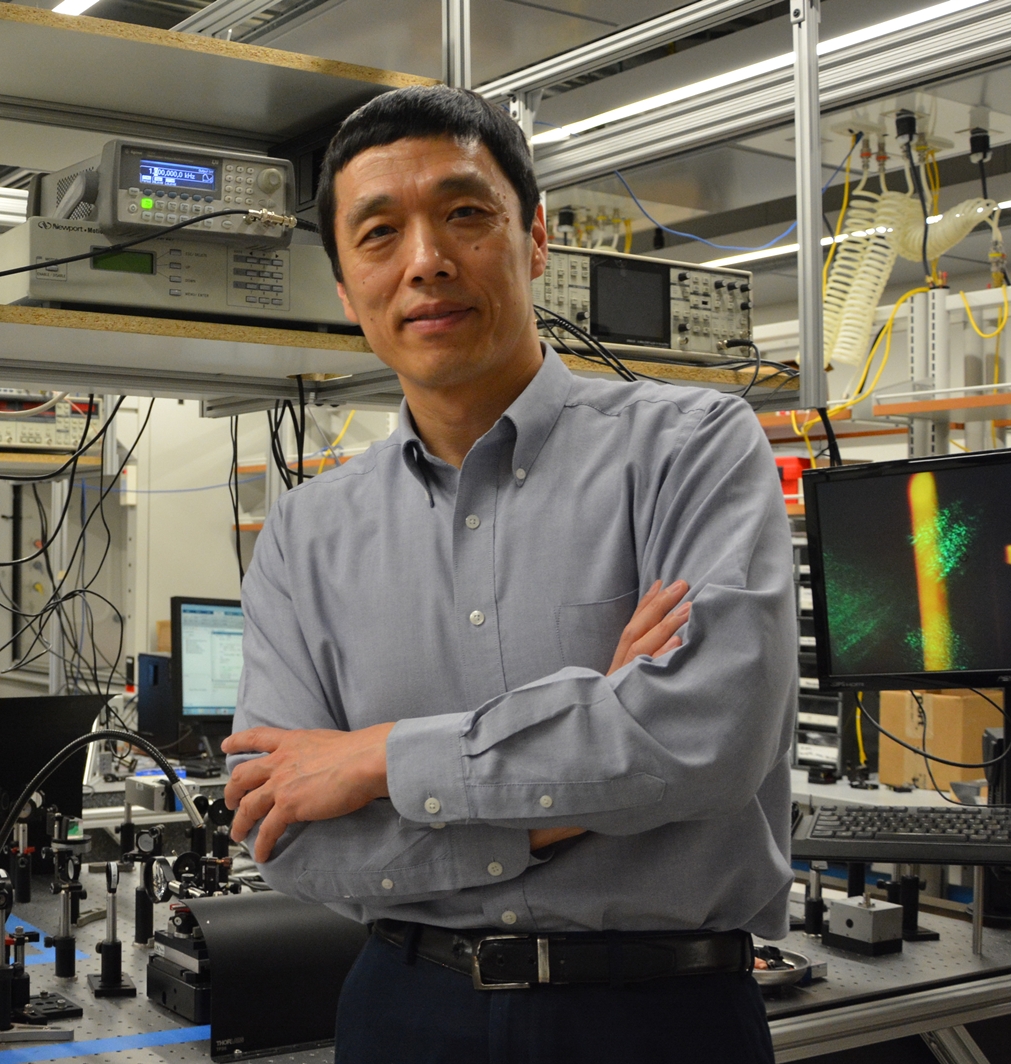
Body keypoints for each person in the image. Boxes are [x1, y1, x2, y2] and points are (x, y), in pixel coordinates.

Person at [221, 85, 794, 1063]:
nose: (425, 261)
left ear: (533, 239)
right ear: (345, 288)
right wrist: (575, 778)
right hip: (403, 1013)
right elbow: (284, 829)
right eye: (378, 233)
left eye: (463, 214)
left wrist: (376, 760)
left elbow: (703, 740)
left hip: (662, 1017)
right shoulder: (305, 533)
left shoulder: (690, 448)